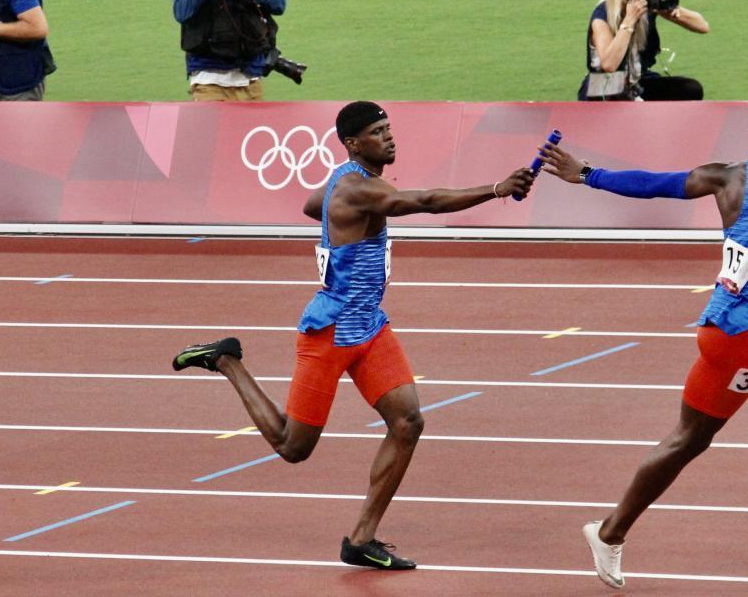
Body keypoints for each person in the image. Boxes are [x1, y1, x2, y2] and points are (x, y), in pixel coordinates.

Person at [172, 101, 534, 570]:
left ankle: (361, 538)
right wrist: (497, 189)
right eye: (377, 132)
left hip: (369, 324)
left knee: (408, 422)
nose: (390, 138)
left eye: (389, 128)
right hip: (331, 328)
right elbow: (424, 203)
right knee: (292, 446)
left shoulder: (348, 182)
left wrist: (336, 222)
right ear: (352, 143)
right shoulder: (358, 191)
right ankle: (226, 361)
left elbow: (311, 204)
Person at [539, 94, 748, 589]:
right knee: (688, 439)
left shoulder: (726, 176)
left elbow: (655, 184)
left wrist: (586, 173)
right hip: (741, 339)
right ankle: (609, 533)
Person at [579, 0, 709, 101]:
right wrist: (629, 20)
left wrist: (672, 12)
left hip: (637, 80)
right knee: (622, 104)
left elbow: (703, 26)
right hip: (605, 85)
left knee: (690, 89)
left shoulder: (647, 8)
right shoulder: (602, 15)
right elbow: (609, 65)